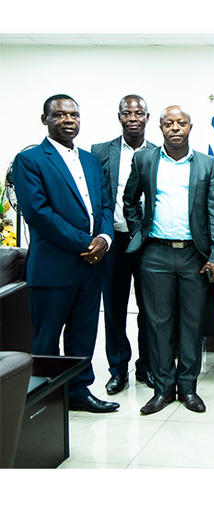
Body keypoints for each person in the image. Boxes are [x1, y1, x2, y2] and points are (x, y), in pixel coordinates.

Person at [12, 94, 119, 413]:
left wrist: (104, 237)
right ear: (44, 119)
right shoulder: (30, 159)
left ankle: (78, 391)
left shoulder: (89, 159)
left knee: (83, 335)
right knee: (46, 339)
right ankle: (43, 400)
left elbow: (104, 204)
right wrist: (84, 243)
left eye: (74, 114)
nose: (68, 120)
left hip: (91, 267)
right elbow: (38, 213)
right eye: (60, 115)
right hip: (54, 269)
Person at [123, 105, 214, 415]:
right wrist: (138, 232)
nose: (175, 128)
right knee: (158, 323)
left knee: (193, 323)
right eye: (169, 123)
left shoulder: (207, 165)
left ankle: (189, 388)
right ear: (161, 127)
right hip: (155, 254)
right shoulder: (144, 159)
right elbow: (129, 201)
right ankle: (164, 388)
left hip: (194, 254)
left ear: (190, 127)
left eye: (181, 123)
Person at [91, 94, 157, 395]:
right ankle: (118, 369)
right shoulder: (100, 152)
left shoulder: (159, 153)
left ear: (146, 117)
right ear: (119, 117)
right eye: (127, 113)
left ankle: (146, 367)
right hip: (115, 241)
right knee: (114, 308)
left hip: (148, 242)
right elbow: (99, 199)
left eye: (139, 113)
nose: (133, 117)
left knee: (150, 309)